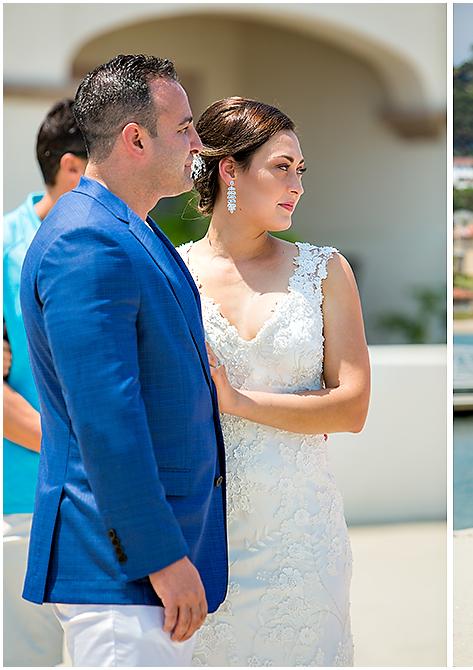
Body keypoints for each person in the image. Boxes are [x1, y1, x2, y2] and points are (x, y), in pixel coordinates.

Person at [19, 54, 228, 666]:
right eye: (185, 126)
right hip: (120, 576)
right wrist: (159, 555)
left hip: (143, 579)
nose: (198, 141)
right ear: (136, 138)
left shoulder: (131, 227)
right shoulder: (88, 238)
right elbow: (106, 419)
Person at [180, 97, 370, 666]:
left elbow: (352, 408)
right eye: (281, 167)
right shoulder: (173, 271)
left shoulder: (325, 270)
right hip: (203, 534)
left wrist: (237, 401)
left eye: (300, 170)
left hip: (301, 538)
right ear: (229, 169)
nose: (298, 185)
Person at [3, 98, 87, 666]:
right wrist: (85, 452)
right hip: (23, 501)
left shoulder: (132, 240)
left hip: (113, 504)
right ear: (72, 169)